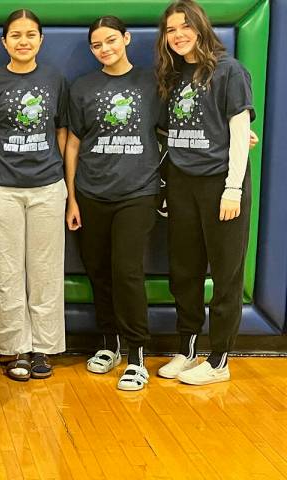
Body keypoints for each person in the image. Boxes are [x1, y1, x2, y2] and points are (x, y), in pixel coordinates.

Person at [155, 0, 254, 385]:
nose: (178, 35)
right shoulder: (174, 74)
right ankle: (188, 349)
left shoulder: (229, 71)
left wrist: (233, 188)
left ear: (200, 27)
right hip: (182, 183)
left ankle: (219, 360)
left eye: (185, 27)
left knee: (226, 273)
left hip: (220, 184)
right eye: (170, 30)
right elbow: (166, 130)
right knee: (184, 271)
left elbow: (238, 130)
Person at [65, 16, 161, 390]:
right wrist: (72, 198)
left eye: (111, 41)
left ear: (126, 39)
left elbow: (181, 124)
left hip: (137, 192)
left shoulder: (152, 82)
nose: (105, 49)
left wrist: (235, 130)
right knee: (99, 272)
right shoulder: (83, 87)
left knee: (127, 272)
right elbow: (72, 144)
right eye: (97, 45)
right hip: (91, 193)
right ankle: (110, 343)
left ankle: (137, 356)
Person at [0, 9, 68, 381]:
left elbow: (61, 131)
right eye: (16, 35)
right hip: (0, 186)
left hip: (47, 185)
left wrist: (52, 169)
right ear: (4, 42)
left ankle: (43, 348)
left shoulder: (55, 79)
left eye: (30, 34)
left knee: (44, 270)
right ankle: (15, 349)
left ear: (40, 40)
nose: (23, 41)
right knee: (6, 270)